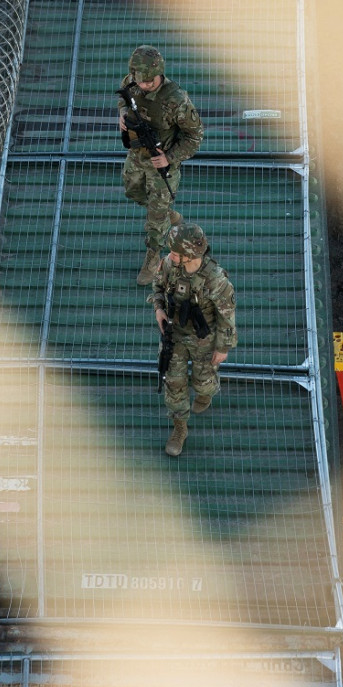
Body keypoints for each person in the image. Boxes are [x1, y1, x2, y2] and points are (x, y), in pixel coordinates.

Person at [147, 223, 236, 457]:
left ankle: (205, 394)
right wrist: (158, 309)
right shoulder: (169, 265)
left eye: (176, 253)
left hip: (203, 337)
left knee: (203, 381)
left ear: (190, 255)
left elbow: (227, 315)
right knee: (174, 383)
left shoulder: (215, 279)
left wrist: (223, 347)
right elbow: (157, 285)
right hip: (174, 334)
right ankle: (180, 429)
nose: (170, 256)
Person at [117, 44, 204, 285]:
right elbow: (122, 96)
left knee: (155, 218)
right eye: (140, 81)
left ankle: (153, 256)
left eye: (149, 82)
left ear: (160, 73)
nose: (144, 85)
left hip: (161, 162)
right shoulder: (133, 81)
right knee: (132, 191)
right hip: (137, 154)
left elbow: (195, 137)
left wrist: (169, 157)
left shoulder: (176, 100)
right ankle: (168, 213)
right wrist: (122, 115)